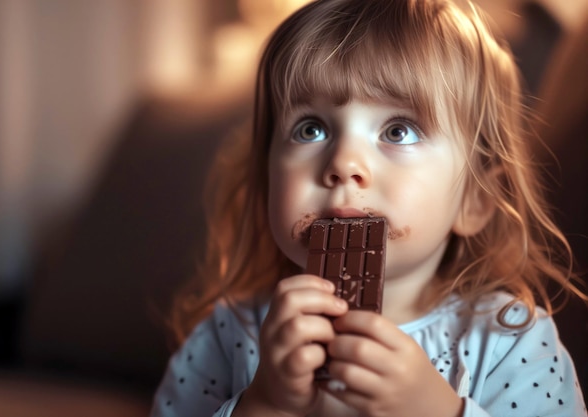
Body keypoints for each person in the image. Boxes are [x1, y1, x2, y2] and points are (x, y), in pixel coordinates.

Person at [150, 0, 588, 416]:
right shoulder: (230, 334)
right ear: (266, 180)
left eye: (398, 131)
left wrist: (441, 412)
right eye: (310, 129)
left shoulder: (510, 338)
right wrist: (266, 404)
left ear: (475, 201)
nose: (344, 163)